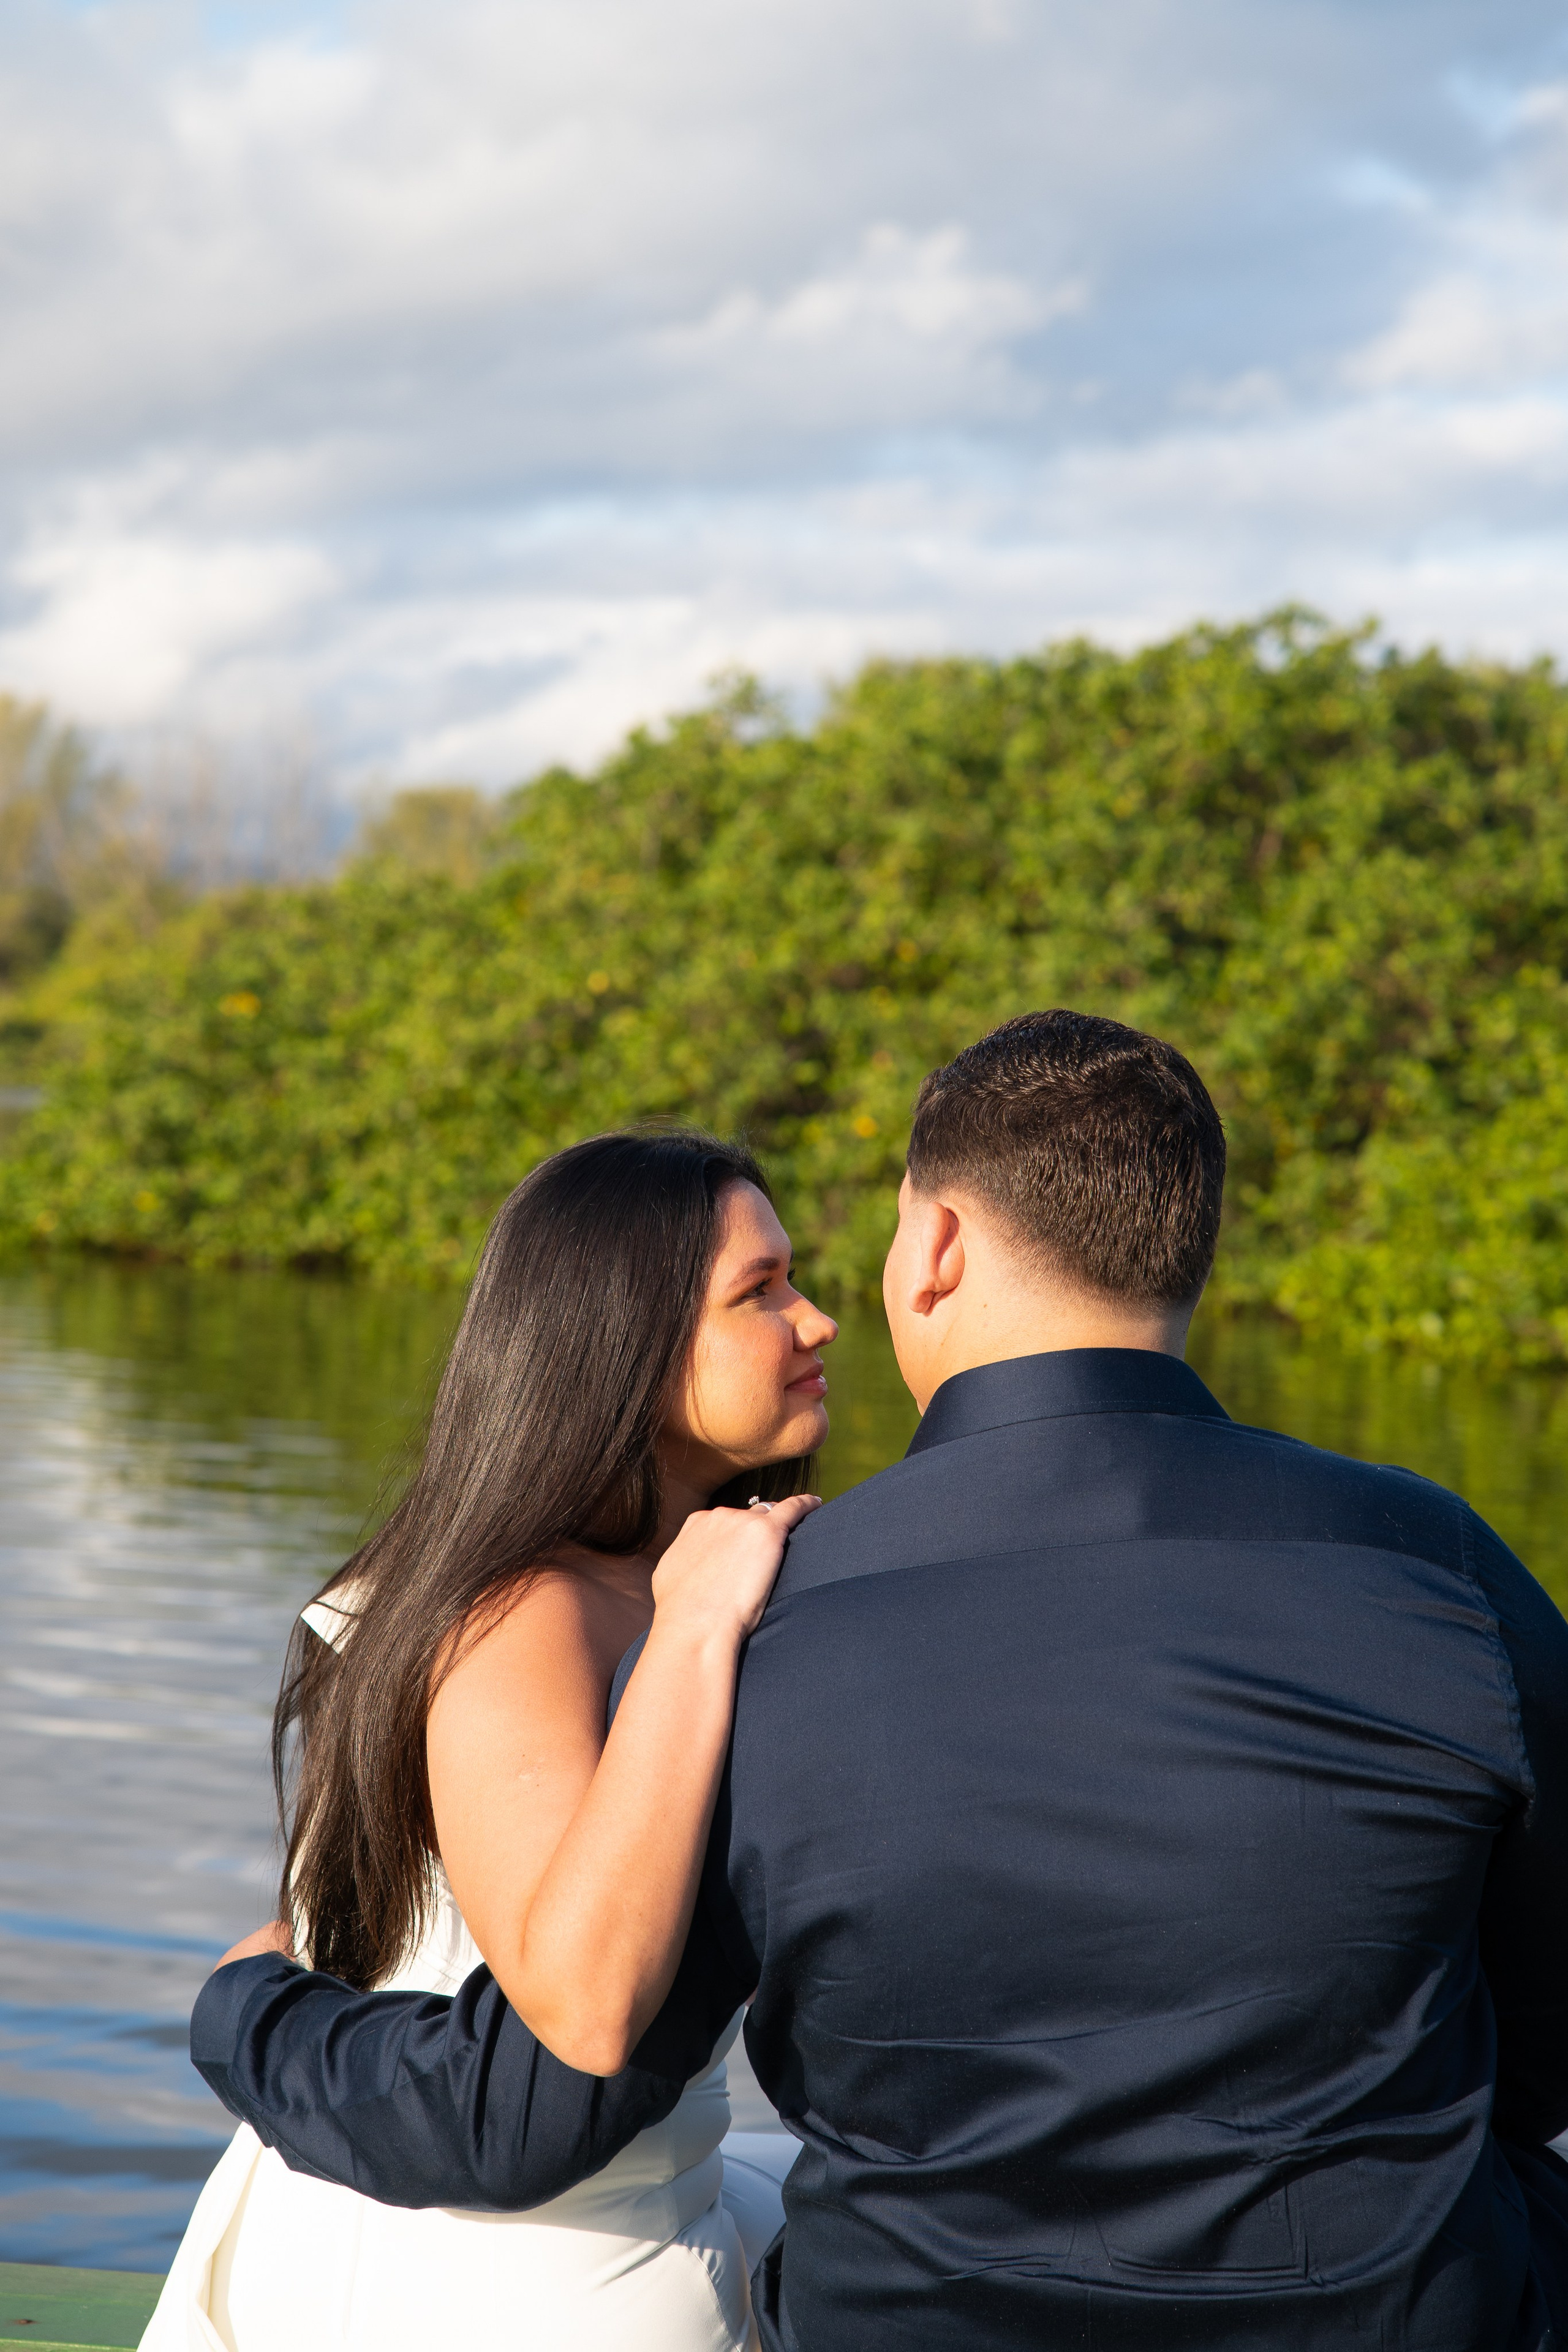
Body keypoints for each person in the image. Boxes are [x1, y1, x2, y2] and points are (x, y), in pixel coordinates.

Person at [192, 1009, 1568, 2349]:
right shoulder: (1437, 1562)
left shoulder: (770, 1625)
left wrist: (247, 2009)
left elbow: (553, 2082)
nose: (822, 1317)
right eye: (765, 1287)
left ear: (939, 1243)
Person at [142, 1127, 838, 2352]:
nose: (815, 1320)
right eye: (761, 1291)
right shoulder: (523, 1613)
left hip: (604, 2216)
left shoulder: (651, 1577)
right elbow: (580, 2006)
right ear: (627, 1342)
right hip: (487, 2285)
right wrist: (695, 1628)